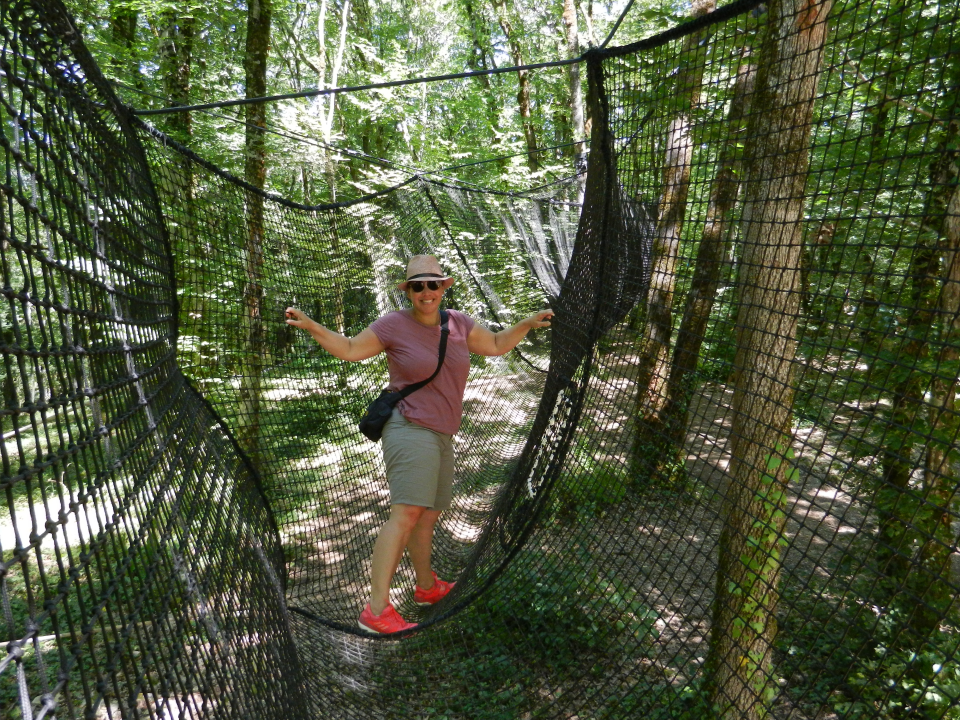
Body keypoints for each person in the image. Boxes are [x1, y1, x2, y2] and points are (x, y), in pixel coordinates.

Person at [285, 255, 553, 634]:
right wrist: (312, 326)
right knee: (407, 512)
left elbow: (494, 344)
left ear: (444, 287)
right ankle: (376, 610)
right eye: (417, 286)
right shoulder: (393, 325)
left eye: (433, 284)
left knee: (428, 515)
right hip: (409, 427)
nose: (426, 292)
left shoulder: (458, 323)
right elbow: (349, 349)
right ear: (408, 291)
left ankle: (426, 587)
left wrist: (525, 324)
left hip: (443, 433)